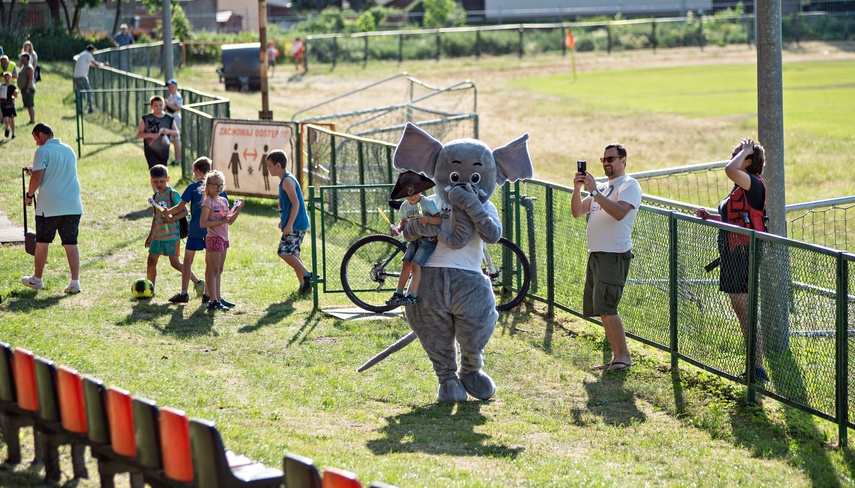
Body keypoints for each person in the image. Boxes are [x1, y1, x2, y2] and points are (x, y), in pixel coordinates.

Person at [696, 138, 768, 382]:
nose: (733, 157)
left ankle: (756, 368)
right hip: (732, 254)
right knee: (742, 312)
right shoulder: (742, 185)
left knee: (746, 313)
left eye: (739, 154)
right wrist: (710, 216)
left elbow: (729, 169)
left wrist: (748, 149)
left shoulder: (753, 184)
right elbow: (734, 219)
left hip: (743, 254)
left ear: (748, 161)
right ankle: (754, 366)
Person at [571, 144, 643, 371]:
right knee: (601, 306)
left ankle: (624, 356)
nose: (606, 163)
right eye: (604, 159)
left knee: (608, 305)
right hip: (597, 254)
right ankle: (617, 356)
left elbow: (620, 213)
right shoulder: (602, 187)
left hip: (614, 254)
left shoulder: (629, 185)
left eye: (611, 158)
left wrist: (594, 192)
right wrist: (577, 189)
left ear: (624, 160)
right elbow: (577, 212)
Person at [21, 123, 84, 294]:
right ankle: (75, 282)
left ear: (41, 134)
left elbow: (37, 177)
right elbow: (57, 171)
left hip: (49, 207)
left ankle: (37, 280)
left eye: (36, 139)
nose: (36, 143)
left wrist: (28, 195)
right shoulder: (69, 149)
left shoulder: (42, 151)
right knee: (71, 243)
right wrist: (35, 169)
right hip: (72, 205)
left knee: (42, 243)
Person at [161, 157, 226, 304]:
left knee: (187, 261)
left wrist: (168, 212)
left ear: (197, 171)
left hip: (196, 229)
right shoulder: (218, 187)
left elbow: (179, 207)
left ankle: (184, 293)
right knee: (210, 263)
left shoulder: (192, 188)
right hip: (212, 230)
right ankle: (208, 294)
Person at [386, 171, 441, 306]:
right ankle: (398, 294)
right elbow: (404, 222)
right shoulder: (405, 206)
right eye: (408, 195)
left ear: (420, 190)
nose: (412, 197)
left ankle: (413, 296)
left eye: (415, 193)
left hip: (428, 239)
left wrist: (428, 219)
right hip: (414, 238)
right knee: (406, 262)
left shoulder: (427, 203)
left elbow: (439, 220)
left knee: (416, 265)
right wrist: (397, 229)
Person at [266, 149, 312, 294]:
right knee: (293, 253)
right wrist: (283, 220)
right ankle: (304, 286)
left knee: (284, 252)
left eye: (269, 166)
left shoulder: (287, 180)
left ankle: (308, 276)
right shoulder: (285, 180)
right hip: (296, 223)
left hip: (296, 224)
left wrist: (290, 224)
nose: (268, 169)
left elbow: (296, 203)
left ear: (278, 165)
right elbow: (287, 206)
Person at [199, 170, 244, 311]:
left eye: (221, 185)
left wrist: (238, 209)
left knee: (219, 269)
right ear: (208, 186)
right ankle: (213, 300)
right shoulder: (208, 202)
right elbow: (203, 223)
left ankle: (218, 297)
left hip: (224, 238)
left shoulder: (223, 200)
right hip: (214, 238)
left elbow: (229, 221)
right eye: (215, 185)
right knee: (212, 270)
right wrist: (221, 221)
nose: (218, 187)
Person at [145, 164, 187, 293]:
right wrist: (151, 235)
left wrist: (171, 219)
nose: (159, 184)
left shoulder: (172, 194)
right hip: (158, 235)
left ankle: (197, 281)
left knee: (175, 263)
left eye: (162, 181)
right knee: (151, 261)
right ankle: (149, 290)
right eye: (156, 181)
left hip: (171, 235)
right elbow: (155, 216)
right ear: (152, 180)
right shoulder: (155, 197)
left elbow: (184, 211)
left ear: (167, 179)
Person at [137, 95, 178, 169]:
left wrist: (168, 131)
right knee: (154, 169)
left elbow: (176, 132)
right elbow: (140, 134)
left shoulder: (169, 118)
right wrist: (150, 135)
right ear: (151, 106)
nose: (158, 107)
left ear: (164, 105)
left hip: (164, 148)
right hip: (150, 148)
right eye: (155, 105)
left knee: (163, 170)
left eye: (160, 105)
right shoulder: (146, 118)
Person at [73, 45, 108, 114]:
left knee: (79, 94)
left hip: (76, 76)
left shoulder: (83, 54)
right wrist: (103, 64)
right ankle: (90, 108)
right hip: (82, 77)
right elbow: (95, 64)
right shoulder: (88, 55)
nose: (93, 53)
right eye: (93, 51)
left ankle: (79, 110)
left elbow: (91, 64)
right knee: (89, 92)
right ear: (91, 50)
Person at [164, 79, 183, 166]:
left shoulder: (178, 96)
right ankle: (176, 159)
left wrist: (168, 104)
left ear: (176, 87)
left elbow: (179, 108)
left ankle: (178, 159)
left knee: (176, 139)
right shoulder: (171, 96)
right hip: (171, 119)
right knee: (174, 140)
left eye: (172, 87)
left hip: (175, 119)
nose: (170, 89)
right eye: (169, 87)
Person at [16, 53, 35, 125]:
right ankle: (31, 119)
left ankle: (32, 120)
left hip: (28, 89)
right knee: (27, 105)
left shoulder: (28, 67)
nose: (21, 59)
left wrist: (27, 88)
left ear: (26, 59)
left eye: (22, 58)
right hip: (24, 89)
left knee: (30, 105)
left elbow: (30, 79)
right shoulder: (24, 66)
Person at [1, 71, 16, 139]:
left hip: (11, 106)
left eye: (8, 78)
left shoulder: (12, 87)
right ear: (3, 79)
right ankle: (7, 128)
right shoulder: (2, 87)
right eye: (5, 78)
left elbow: (16, 92)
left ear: (11, 79)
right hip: (4, 106)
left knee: (12, 120)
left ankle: (13, 134)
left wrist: (16, 93)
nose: (7, 79)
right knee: (6, 120)